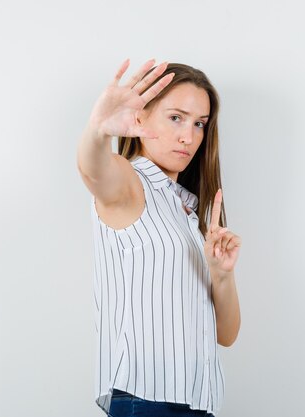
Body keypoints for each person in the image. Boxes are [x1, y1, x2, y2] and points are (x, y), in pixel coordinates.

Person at [76, 58, 242, 417]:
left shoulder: (189, 215)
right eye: (176, 118)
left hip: (198, 402)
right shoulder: (129, 182)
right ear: (140, 117)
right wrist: (97, 131)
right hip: (145, 400)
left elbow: (226, 335)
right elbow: (94, 171)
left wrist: (222, 274)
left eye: (200, 124)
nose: (190, 136)